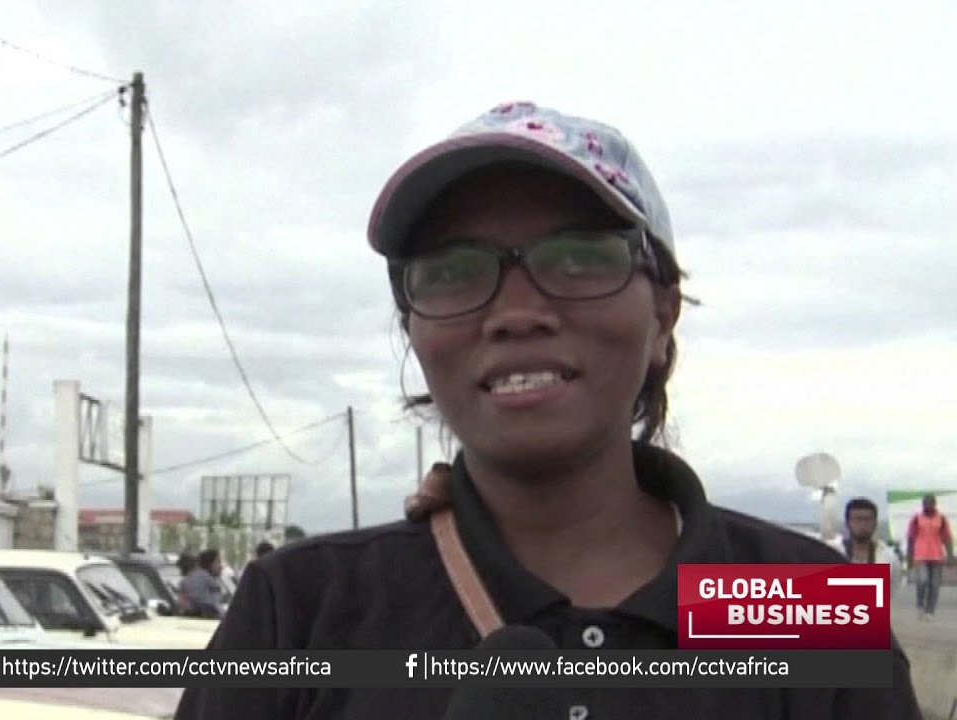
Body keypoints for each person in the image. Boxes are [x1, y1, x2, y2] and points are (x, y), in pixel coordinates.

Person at [174, 100, 923, 719]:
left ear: (663, 315)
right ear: (414, 331)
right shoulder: (298, 610)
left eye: (578, 259)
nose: (517, 312)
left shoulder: (806, 604)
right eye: (455, 271)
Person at [833, 497, 900, 588]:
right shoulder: (832, 553)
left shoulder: (888, 558)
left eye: (867, 519)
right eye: (858, 519)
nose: (863, 524)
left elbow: (891, 590)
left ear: (875, 523)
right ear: (847, 523)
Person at [906, 493, 953, 620]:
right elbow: (910, 539)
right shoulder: (916, 519)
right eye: (924, 503)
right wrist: (909, 558)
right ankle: (920, 605)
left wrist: (950, 556)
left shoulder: (942, 519)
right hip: (920, 555)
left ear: (934, 504)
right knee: (922, 580)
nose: (926, 505)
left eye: (929, 503)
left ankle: (930, 611)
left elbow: (947, 538)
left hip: (937, 556)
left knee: (935, 584)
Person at [179, 549, 225, 619]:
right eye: (218, 562)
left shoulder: (204, 578)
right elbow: (202, 605)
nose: (221, 566)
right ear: (209, 563)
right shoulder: (200, 577)